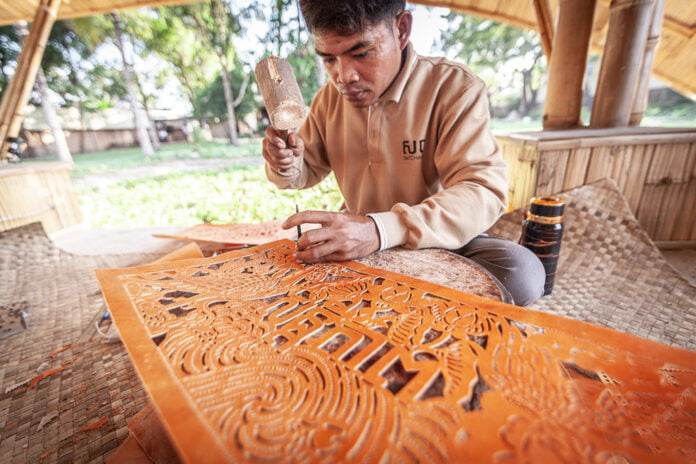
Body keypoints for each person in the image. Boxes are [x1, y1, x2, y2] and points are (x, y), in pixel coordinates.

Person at [262, 0, 545, 306]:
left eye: (360, 53)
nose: (344, 76)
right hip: (357, 244)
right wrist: (287, 163)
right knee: (282, 264)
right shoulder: (329, 99)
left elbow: (483, 192)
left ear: (401, 29)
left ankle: (376, 295)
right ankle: (400, 297)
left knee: (521, 272)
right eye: (329, 59)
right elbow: (304, 171)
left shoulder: (453, 88)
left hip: (438, 244)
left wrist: (380, 229)